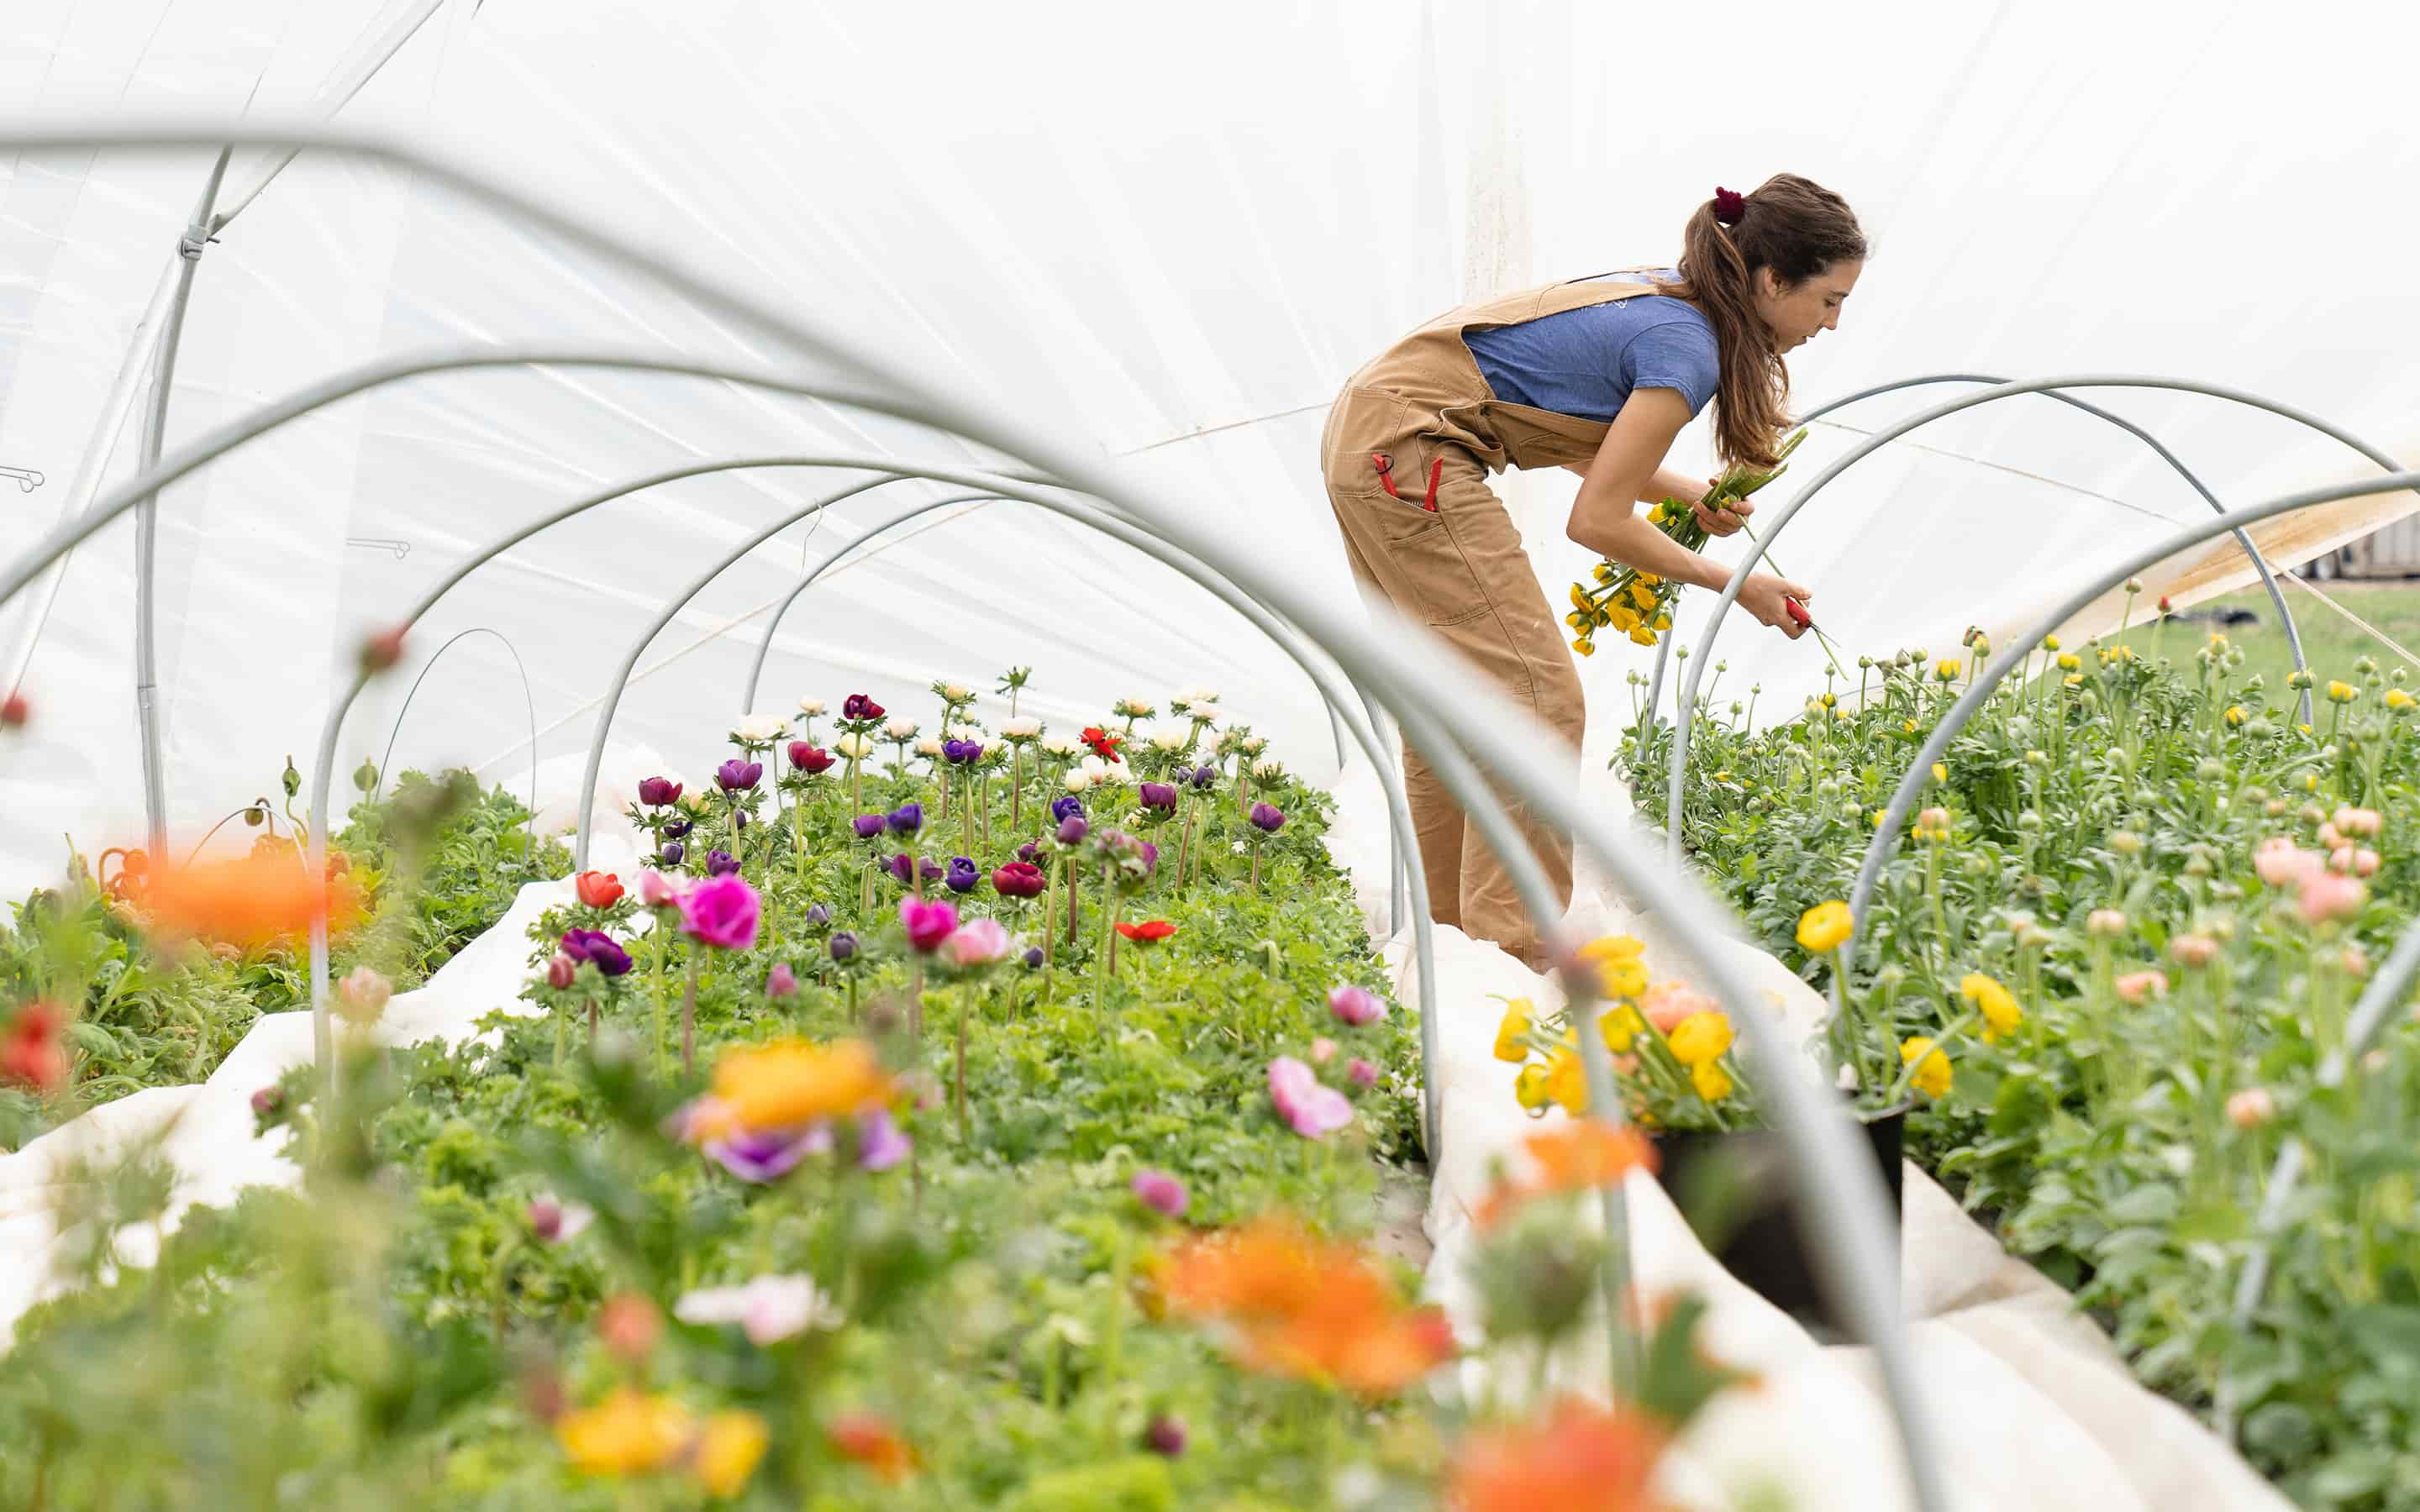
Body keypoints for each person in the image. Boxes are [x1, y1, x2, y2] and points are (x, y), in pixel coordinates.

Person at [1318, 174, 1866, 969]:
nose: (1833, 322)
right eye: (1829, 300)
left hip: (1376, 436)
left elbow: (1575, 437)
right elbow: (1598, 521)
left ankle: (1446, 951)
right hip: (1412, 452)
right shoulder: (1690, 345)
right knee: (1539, 700)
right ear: (1774, 281)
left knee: (1450, 703)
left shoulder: (1669, 298)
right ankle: (1515, 948)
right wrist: (1737, 586)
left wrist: (1686, 491)